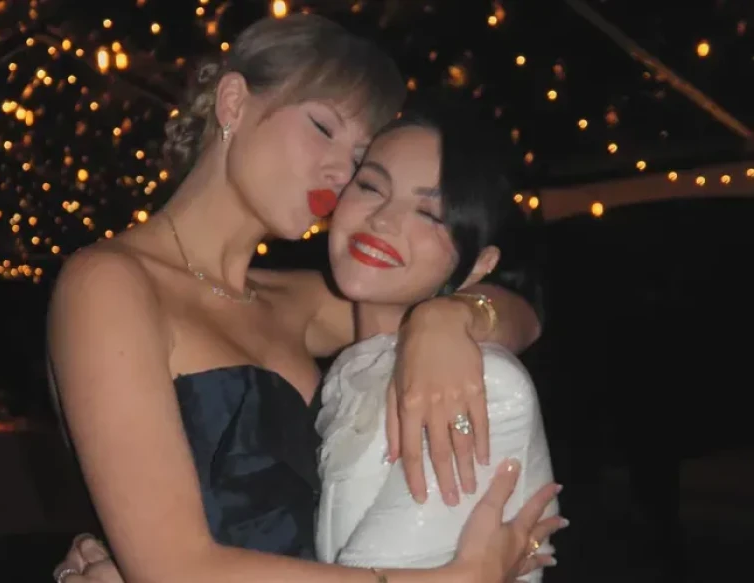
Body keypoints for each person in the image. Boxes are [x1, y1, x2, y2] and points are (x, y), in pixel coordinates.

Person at [47, 14, 555, 583]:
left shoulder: (299, 300)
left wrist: (449, 317)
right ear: (234, 102)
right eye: (322, 127)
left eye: (359, 156)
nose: (340, 171)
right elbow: (173, 566)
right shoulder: (109, 284)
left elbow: (522, 310)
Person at [315, 101, 559, 580]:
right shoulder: (347, 373)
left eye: (430, 213)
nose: (383, 220)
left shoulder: (483, 385)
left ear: (478, 265)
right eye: (371, 186)